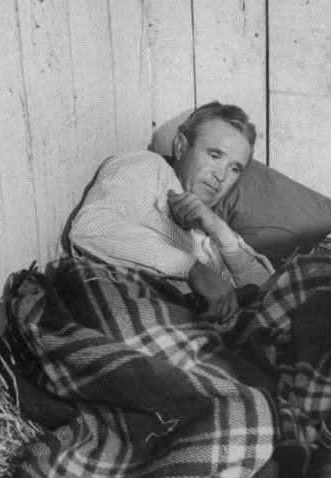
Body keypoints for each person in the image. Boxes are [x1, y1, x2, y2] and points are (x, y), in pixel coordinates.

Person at [68, 102, 273, 320]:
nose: (221, 177)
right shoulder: (150, 167)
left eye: (234, 169)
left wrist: (219, 230)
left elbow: (272, 293)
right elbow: (90, 226)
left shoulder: (213, 231)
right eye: (214, 156)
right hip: (143, 311)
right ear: (181, 147)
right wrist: (191, 268)